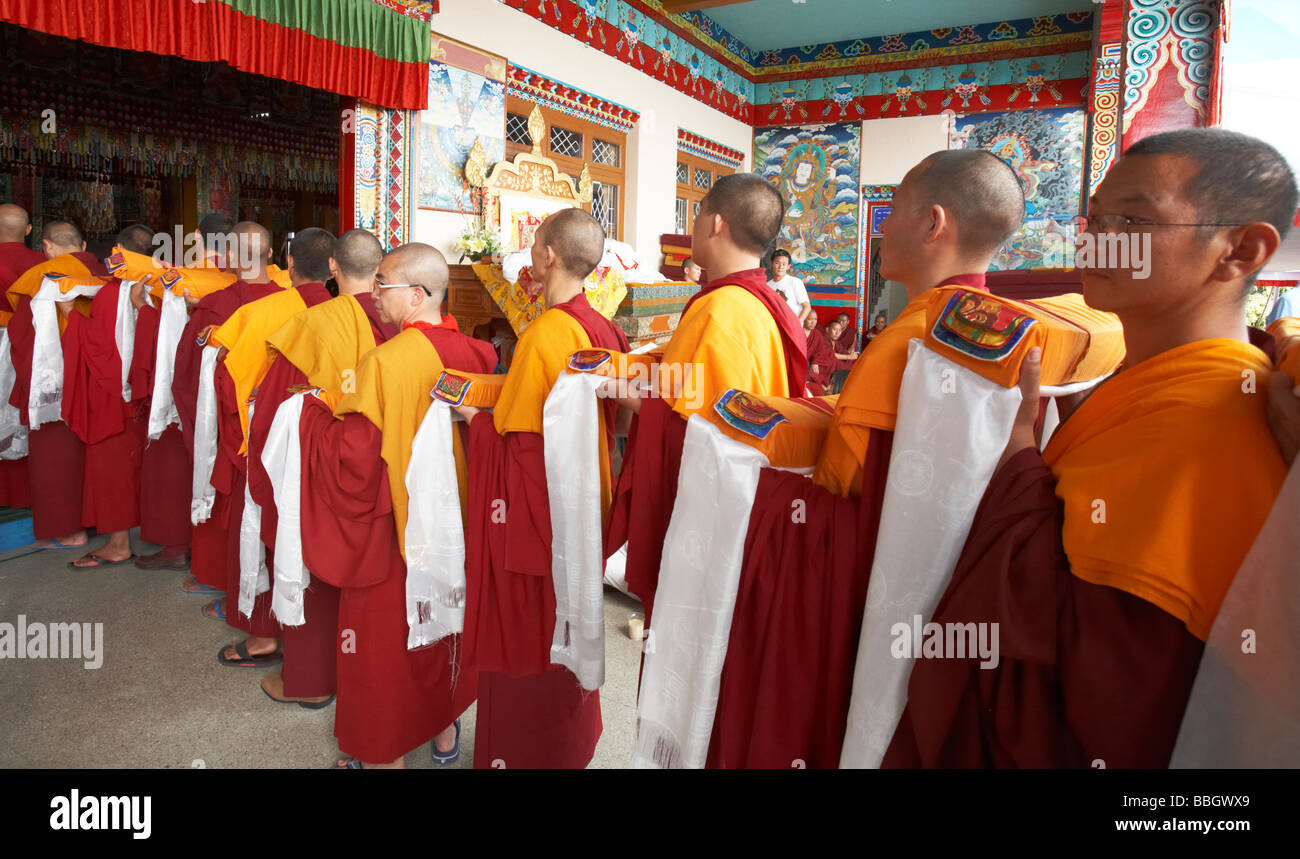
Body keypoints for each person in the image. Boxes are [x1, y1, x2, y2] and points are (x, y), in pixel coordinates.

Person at [884, 128, 1296, 768]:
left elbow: (1116, 686)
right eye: (1096, 217)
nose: (1094, 240)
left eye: (1132, 219)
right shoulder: (1151, 381)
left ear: (1240, 250)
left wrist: (1020, 456)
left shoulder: (1218, 416)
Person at [635, 148, 1035, 767]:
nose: (879, 228)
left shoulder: (923, 339)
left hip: (840, 586)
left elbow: (875, 516)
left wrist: (740, 478)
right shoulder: (975, 327)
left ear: (934, 224)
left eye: (892, 209)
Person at [295, 242, 495, 768]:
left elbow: (355, 461)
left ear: (414, 294)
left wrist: (312, 415)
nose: (373, 295)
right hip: (460, 529)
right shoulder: (480, 354)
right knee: (446, 623)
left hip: (396, 531)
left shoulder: (386, 361)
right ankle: (446, 732)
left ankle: (383, 756)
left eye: (382, 285)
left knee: (386, 643)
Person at [451, 209, 629, 768]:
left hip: (539, 521)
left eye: (534, 244)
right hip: (586, 506)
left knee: (531, 640)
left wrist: (471, 418)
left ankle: (527, 754)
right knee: (573, 623)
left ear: (548, 255)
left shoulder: (545, 333)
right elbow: (617, 423)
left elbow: (521, 450)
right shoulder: (605, 328)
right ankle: (570, 745)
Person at [605, 173, 808, 623]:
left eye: (696, 214)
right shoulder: (763, 302)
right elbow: (700, 385)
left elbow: (707, 429)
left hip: (715, 511)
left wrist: (630, 397)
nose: (693, 225)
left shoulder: (722, 308)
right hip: (755, 493)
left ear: (715, 223)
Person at [246, 228, 395, 708]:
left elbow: (274, 416)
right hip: (389, 474)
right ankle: (366, 677)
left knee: (313, 565)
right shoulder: (403, 322)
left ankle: (309, 682)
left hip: (322, 470)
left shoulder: (312, 326)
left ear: (333, 266)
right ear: (382, 269)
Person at [208, 228, 336, 669]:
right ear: (334, 266)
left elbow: (228, 384)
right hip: (330, 446)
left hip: (268, 444)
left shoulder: (262, 311)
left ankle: (265, 636)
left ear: (288, 261)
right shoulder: (354, 315)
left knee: (268, 532)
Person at [172, 222, 282, 603]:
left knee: (230, 502)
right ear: (270, 255)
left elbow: (187, 377)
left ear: (230, 258)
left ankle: (222, 578)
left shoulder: (215, 306)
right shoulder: (291, 302)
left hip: (228, 425)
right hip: (277, 422)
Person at [6, 219, 109, 548]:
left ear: (46, 247)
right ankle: (99, 522)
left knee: (57, 455)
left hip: (58, 383)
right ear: (82, 247)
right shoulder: (108, 274)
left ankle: (70, 531)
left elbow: (22, 335)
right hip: (101, 378)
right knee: (97, 454)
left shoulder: (42, 277)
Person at [0, 204, 43, 508]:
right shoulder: (40, 262)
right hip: (33, 345)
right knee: (25, 413)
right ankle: (27, 494)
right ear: (28, 230)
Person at [768, 249, 812, 324]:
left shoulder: (795, 282)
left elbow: (807, 307)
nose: (780, 267)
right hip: (775, 329)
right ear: (771, 264)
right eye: (777, 263)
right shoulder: (767, 286)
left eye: (784, 264)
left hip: (792, 329)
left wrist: (796, 325)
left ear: (788, 266)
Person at [803, 312, 835, 396]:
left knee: (830, 361)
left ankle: (826, 386)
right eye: (810, 319)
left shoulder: (816, 333)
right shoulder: (798, 331)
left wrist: (815, 361)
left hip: (812, 361)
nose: (813, 323)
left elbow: (821, 350)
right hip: (800, 360)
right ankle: (823, 387)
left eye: (815, 320)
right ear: (804, 319)